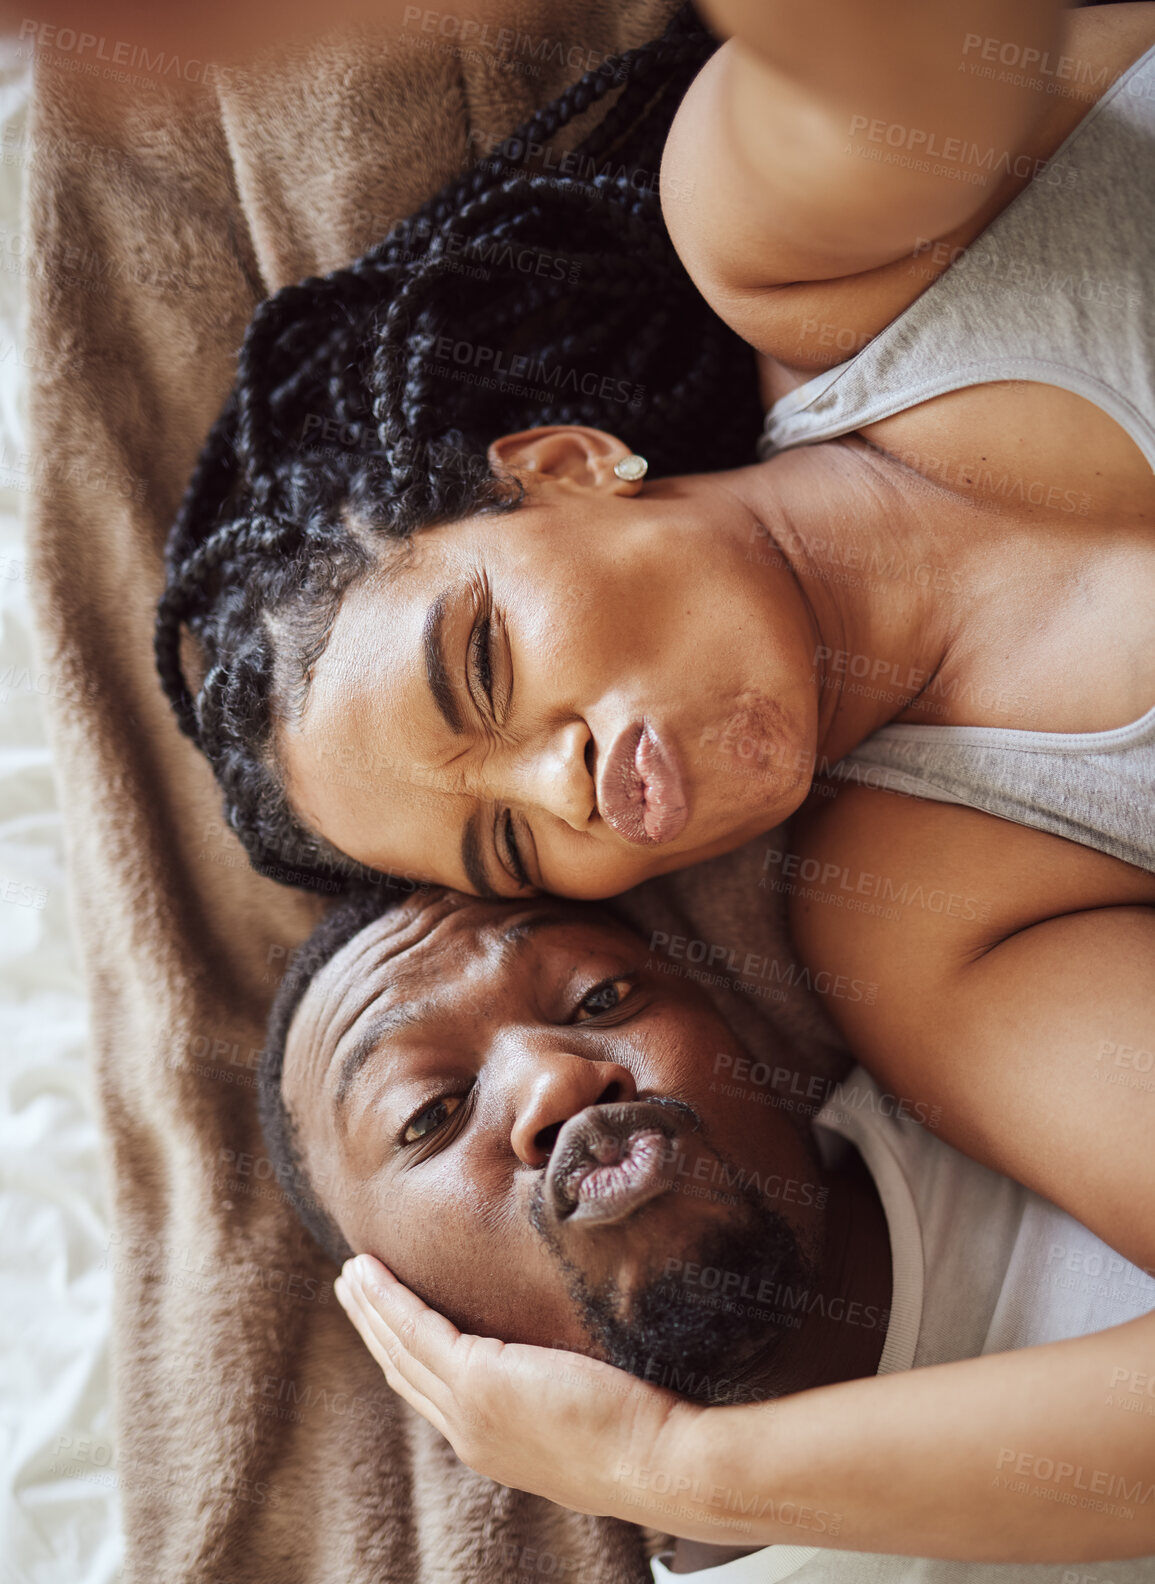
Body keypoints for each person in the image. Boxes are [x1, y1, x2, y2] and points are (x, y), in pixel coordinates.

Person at [159, 0, 1155, 1270]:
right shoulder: (929, 928)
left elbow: (931, 39)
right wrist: (679, 1470)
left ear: (566, 465)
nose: (559, 785)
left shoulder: (794, 255)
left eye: (481, 667)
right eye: (511, 844)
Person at [262, 884, 1155, 1584]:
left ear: (736, 1030)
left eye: (599, 996)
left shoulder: (993, 1046)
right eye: (431, 1113)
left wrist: (671, 1461)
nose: (555, 1082)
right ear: (400, 1315)